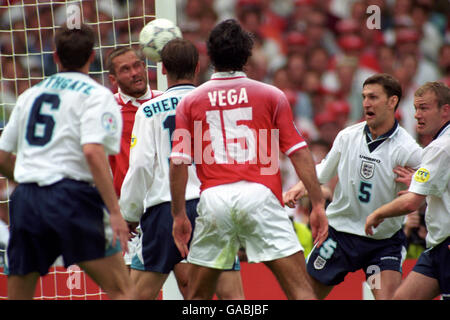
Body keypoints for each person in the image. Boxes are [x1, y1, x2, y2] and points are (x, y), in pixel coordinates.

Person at [170, 19, 328, 300]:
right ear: (246, 56)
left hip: (214, 199)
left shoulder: (190, 102)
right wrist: (317, 203)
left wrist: (179, 214)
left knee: (197, 299)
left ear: (211, 56)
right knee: (301, 292)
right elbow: (299, 152)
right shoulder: (271, 95)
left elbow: (179, 162)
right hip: (261, 196)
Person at [0, 24, 135, 299]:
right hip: (73, 199)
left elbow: (1, 156)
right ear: (92, 56)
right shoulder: (97, 96)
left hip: (27, 200)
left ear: (55, 56)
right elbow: (92, 152)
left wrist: (29, 176)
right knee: (122, 290)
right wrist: (115, 212)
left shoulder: (29, 95)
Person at [119, 38, 244, 300]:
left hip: (164, 210)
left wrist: (129, 212)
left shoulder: (148, 110)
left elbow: (141, 165)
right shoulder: (215, 104)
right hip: (212, 205)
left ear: (162, 69)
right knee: (232, 297)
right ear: (198, 67)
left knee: (137, 295)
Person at [284, 73, 423, 300]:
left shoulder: (408, 149)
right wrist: (301, 185)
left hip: (382, 242)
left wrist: (418, 180)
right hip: (340, 234)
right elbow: (323, 170)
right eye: (364, 97)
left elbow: (434, 179)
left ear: (392, 101)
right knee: (304, 296)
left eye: (373, 97)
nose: (366, 103)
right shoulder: (347, 136)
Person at [365, 81, 449, 300]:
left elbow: (411, 202)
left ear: (445, 110)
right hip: (438, 247)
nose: (417, 115)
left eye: (424, 108)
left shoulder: (440, 147)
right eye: (415, 108)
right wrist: (420, 181)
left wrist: (377, 213)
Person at [105, 46, 161, 269]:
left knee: (186, 281)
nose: (135, 72)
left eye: (137, 65)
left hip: (164, 205)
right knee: (130, 285)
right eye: (126, 69)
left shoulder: (164, 101)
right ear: (113, 79)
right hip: (129, 215)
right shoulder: (106, 110)